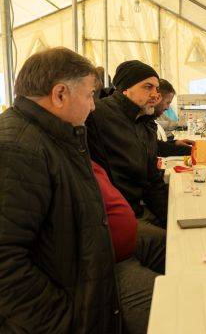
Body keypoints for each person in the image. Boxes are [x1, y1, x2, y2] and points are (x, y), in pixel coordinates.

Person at [0, 47, 120, 332]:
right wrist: (64, 322)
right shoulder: (18, 149)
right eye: (90, 95)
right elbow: (4, 261)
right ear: (60, 94)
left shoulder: (53, 137)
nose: (93, 106)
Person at [87, 60, 169, 227]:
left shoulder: (144, 124)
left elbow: (152, 181)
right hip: (110, 217)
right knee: (171, 246)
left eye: (156, 88)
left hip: (136, 210)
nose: (155, 95)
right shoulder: (97, 115)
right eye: (148, 87)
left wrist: (170, 218)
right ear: (126, 89)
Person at [92, 160, 165, 333]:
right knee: (175, 304)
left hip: (113, 243)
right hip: (97, 270)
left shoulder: (73, 143)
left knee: (178, 247)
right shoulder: (26, 150)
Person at [154, 79, 194, 157]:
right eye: (167, 102)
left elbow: (155, 146)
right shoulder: (138, 123)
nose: (168, 108)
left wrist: (175, 143)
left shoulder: (148, 120)